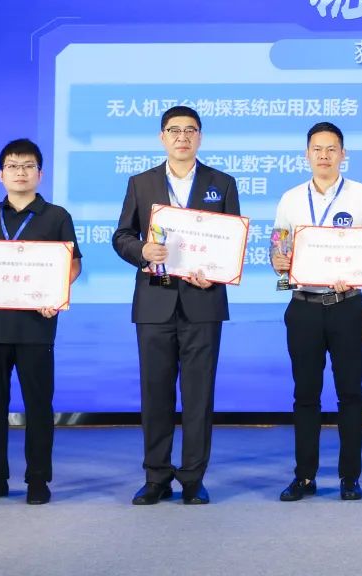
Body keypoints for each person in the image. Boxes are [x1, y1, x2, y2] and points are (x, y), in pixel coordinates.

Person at [112, 105, 240, 506]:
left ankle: (193, 478)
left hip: (203, 301)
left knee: (199, 395)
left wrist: (216, 273)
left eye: (190, 130)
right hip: (155, 302)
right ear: (162, 137)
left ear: (200, 136)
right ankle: (156, 477)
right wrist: (142, 250)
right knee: (155, 394)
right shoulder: (141, 183)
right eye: (174, 130)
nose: (182, 137)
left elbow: (231, 241)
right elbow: (121, 236)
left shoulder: (222, 183)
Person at [0, 138, 83, 505]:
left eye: (28, 166)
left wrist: (55, 295)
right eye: (13, 166)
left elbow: (73, 264)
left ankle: (38, 480)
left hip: (36, 326)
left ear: (40, 174)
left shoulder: (56, 216)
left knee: (38, 405)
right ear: (1, 175)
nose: (21, 172)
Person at [271, 122, 362, 502]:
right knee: (305, 395)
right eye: (317, 149)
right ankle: (304, 476)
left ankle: (350, 477)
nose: (324, 155)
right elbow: (278, 247)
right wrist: (278, 261)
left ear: (343, 154)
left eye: (331, 149)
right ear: (306, 154)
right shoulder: (290, 199)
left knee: (350, 393)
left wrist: (355, 274)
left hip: (346, 307)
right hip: (303, 307)